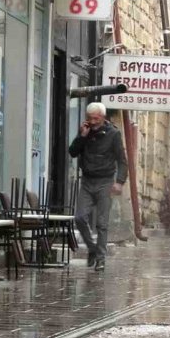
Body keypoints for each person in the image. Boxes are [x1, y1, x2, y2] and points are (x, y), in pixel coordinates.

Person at [69, 103, 127, 272]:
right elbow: (72, 152)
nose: (93, 122)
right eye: (90, 118)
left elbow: (122, 161)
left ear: (103, 117)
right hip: (87, 181)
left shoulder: (114, 134)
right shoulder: (85, 131)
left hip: (105, 181)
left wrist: (119, 182)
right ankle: (92, 248)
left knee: (102, 223)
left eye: (96, 118)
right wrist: (82, 136)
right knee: (79, 218)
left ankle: (100, 258)